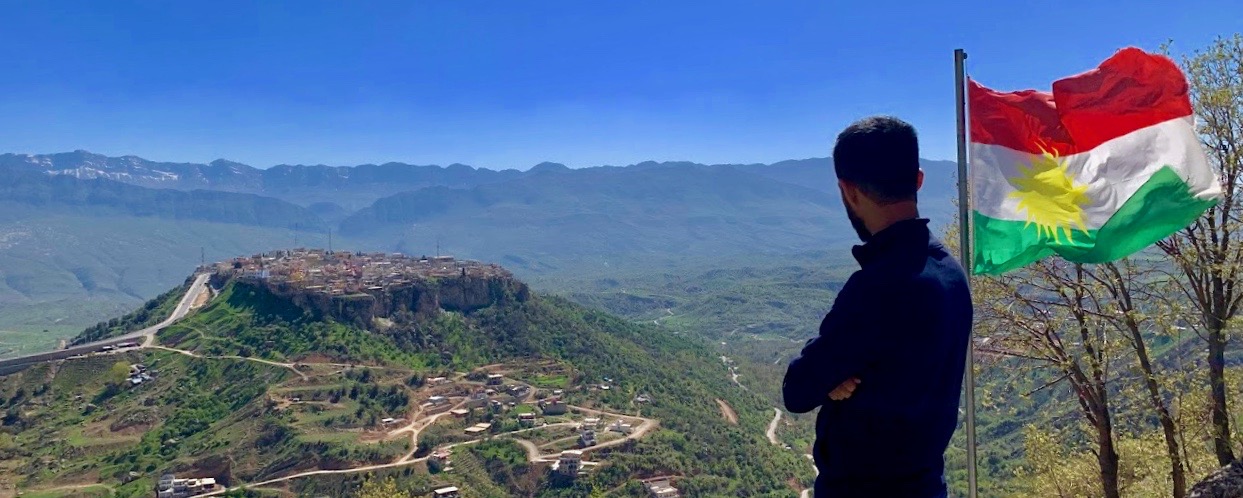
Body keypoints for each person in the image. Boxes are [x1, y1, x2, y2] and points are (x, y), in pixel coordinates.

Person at [782, 116, 973, 498]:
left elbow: (799, 389)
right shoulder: (951, 273)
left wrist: (830, 373)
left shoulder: (878, 287)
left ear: (848, 192)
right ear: (918, 180)